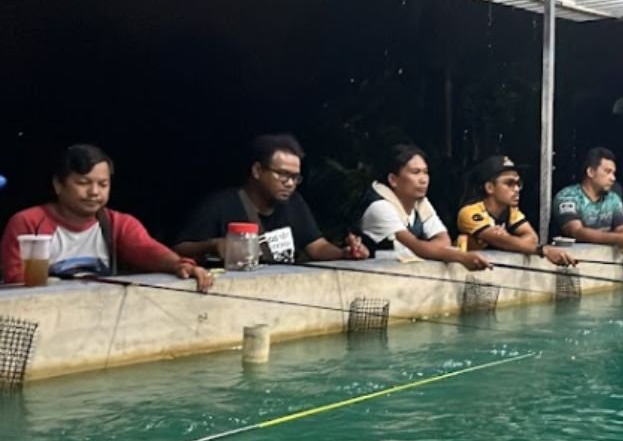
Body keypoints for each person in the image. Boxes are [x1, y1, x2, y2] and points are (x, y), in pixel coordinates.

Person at [2, 144, 212, 291]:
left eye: (103, 184)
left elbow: (149, 251)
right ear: (58, 185)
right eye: (83, 182)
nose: (94, 192)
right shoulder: (27, 222)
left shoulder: (117, 224)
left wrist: (181, 265)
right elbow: (16, 283)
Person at [174, 134, 368, 264]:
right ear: (257, 171)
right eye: (282, 174)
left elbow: (317, 247)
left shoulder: (294, 203)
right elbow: (179, 249)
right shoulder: (220, 205)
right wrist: (214, 245)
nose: (290, 183)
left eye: (295, 177)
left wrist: (345, 253)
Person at [358, 144, 490, 270]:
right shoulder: (379, 207)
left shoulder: (420, 202)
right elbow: (417, 248)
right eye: (415, 172)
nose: (424, 179)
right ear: (393, 180)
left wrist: (431, 249)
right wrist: (462, 257)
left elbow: (444, 240)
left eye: (425, 172)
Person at [456, 155, 575, 267]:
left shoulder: (511, 211)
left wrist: (507, 239)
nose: (517, 189)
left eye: (518, 183)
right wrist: (542, 250)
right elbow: (496, 239)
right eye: (509, 183)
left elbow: (532, 238)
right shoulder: (470, 211)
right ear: (490, 188)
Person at [551, 147, 623, 254]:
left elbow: (622, 226)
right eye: (607, 172)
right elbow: (577, 231)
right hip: (569, 259)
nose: (613, 178)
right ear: (590, 172)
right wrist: (617, 239)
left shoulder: (613, 198)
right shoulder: (568, 197)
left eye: (613, 173)